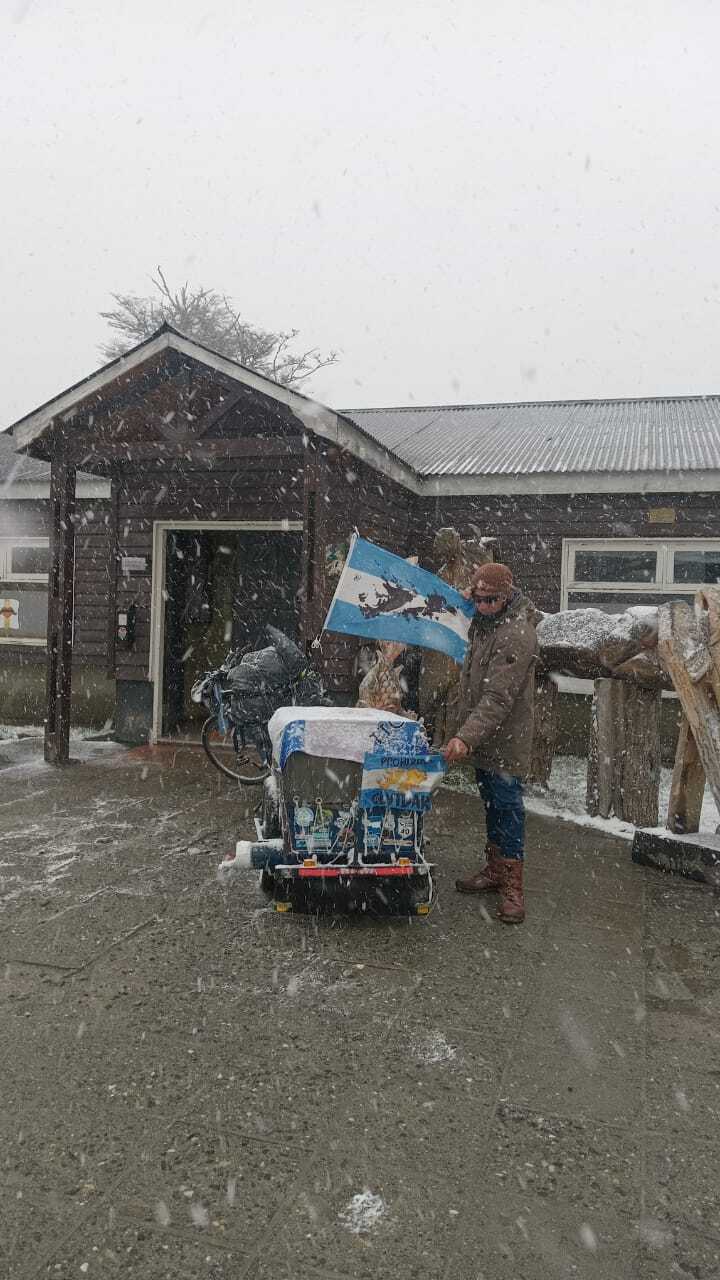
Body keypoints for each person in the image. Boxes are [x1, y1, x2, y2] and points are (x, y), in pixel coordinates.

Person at [442, 562, 539, 924]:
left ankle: (513, 887)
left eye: (490, 600)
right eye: (477, 599)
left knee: (508, 808)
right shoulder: (485, 623)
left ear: (508, 595)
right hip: (485, 738)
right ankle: (495, 868)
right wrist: (466, 595)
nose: (481, 606)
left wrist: (465, 736)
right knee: (491, 805)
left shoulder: (515, 633)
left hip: (506, 739)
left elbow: (498, 698)